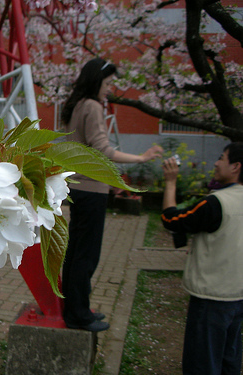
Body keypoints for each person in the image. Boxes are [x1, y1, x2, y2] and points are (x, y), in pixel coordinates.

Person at [61, 57, 163, 332]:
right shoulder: (92, 106)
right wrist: (141, 158)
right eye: (107, 84)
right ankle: (78, 315)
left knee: (76, 253)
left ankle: (74, 309)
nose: (109, 89)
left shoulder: (76, 105)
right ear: (96, 81)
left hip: (77, 188)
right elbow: (103, 150)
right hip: (91, 190)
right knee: (87, 255)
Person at [161, 142, 243, 375]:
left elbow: (172, 220)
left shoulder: (215, 203)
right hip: (237, 296)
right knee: (229, 359)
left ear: (235, 166)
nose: (216, 163)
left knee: (202, 363)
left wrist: (170, 182)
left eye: (222, 158)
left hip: (211, 298)